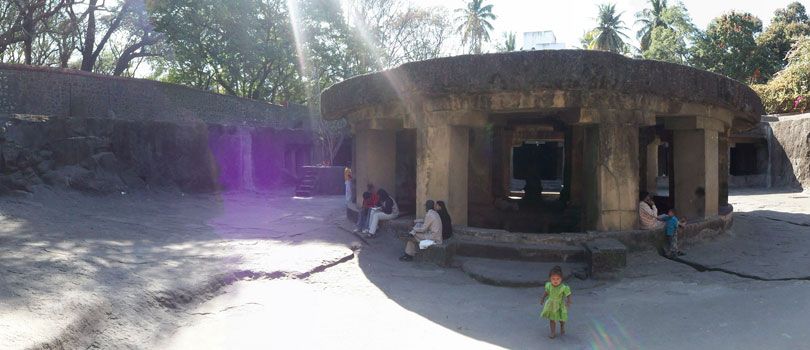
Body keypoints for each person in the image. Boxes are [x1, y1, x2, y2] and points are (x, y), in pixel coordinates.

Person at [540, 265, 572, 339]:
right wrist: (542, 298)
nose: (555, 281)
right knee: (552, 319)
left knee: (561, 319)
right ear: (550, 279)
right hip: (551, 305)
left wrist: (568, 302)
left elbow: (568, 294)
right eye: (553, 279)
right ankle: (553, 332)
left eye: (558, 279)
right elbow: (546, 292)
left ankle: (562, 325)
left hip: (560, 305)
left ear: (561, 279)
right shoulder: (549, 286)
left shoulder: (563, 287)